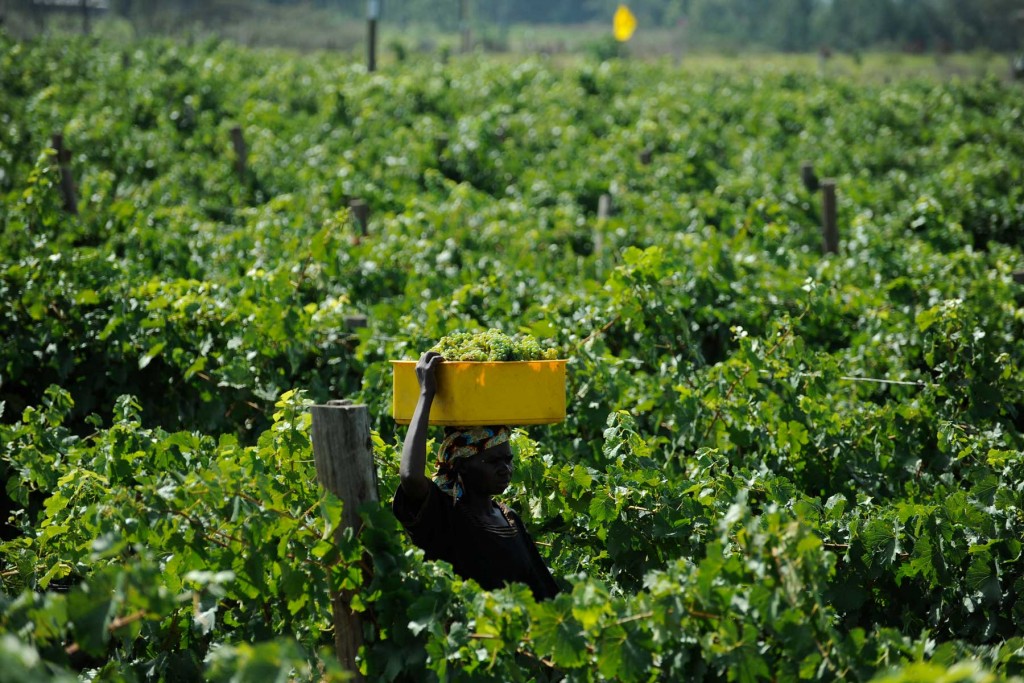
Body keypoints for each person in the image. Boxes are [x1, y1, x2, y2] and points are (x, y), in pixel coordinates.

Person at [392, 351, 560, 600]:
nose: (506, 469)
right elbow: (410, 477)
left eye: (508, 460)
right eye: (493, 461)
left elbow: (543, 591)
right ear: (461, 465)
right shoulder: (444, 515)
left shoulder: (507, 517)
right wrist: (426, 394)